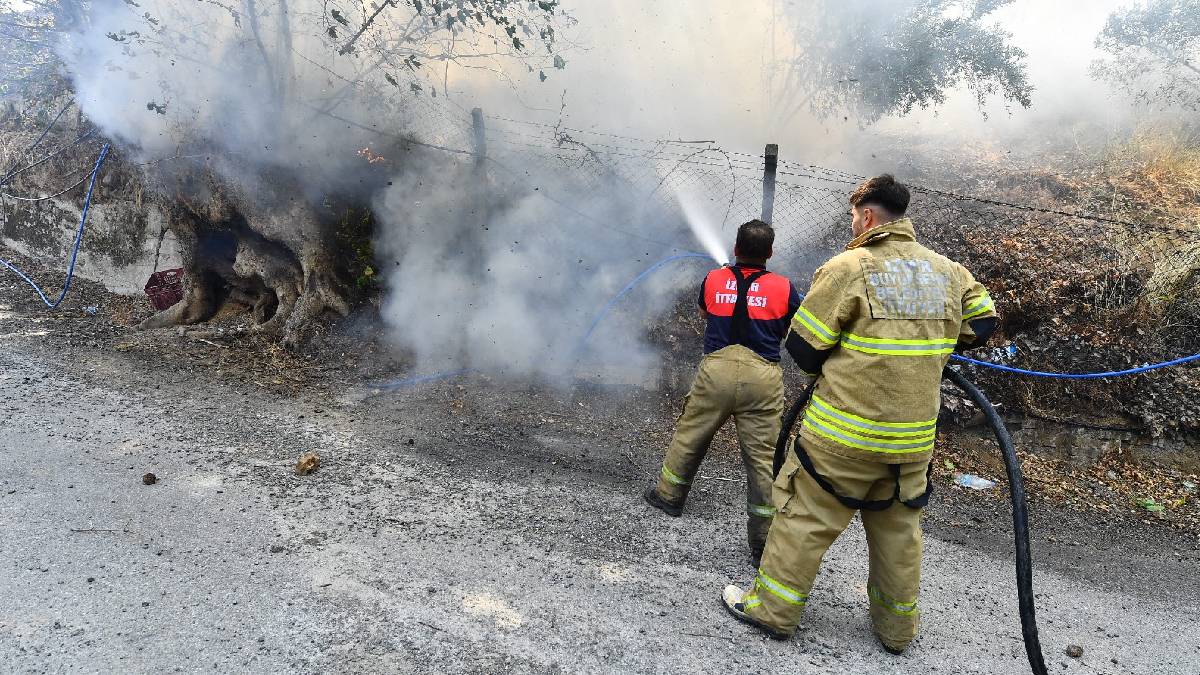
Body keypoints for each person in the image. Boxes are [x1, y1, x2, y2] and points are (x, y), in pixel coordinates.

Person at [721, 175, 999, 654]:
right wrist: (929, 343)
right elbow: (984, 322)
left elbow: (804, 350)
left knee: (804, 519)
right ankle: (895, 632)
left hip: (841, 440)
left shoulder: (850, 266)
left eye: (854, 216)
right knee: (898, 533)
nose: (853, 224)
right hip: (909, 446)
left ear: (867, 216)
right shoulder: (949, 272)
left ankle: (773, 609)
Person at [644, 219, 801, 567]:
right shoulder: (784, 287)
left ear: (735, 248)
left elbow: (705, 312)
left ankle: (668, 496)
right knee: (762, 458)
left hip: (715, 369)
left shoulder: (714, 279)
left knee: (690, 434)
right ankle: (762, 539)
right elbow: (792, 323)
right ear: (770, 253)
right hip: (762, 375)